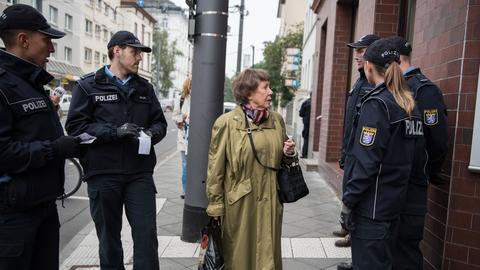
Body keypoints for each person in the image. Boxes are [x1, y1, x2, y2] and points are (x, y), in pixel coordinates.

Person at [65, 30, 167, 269]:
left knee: (146, 235)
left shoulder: (144, 88)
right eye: (135, 52)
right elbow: (76, 128)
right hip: (103, 174)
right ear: (116, 51)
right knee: (109, 240)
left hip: (139, 174)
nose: (140, 58)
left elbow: (160, 122)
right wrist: (115, 132)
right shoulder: (88, 85)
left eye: (140, 53)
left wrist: (152, 134)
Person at [0, 4, 83, 269]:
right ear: (24, 40)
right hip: (13, 216)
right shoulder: (4, 85)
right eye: (46, 39)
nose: (52, 48)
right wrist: (55, 149)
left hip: (43, 207)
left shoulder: (29, 82)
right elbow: (3, 154)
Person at [340, 39, 425, 269]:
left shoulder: (377, 104)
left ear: (369, 66)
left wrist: (348, 202)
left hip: (372, 210)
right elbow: (417, 160)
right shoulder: (410, 106)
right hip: (396, 206)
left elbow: (366, 163)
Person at [206, 69, 296, 270]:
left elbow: (284, 162)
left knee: (268, 258)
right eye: (265, 87)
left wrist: (288, 152)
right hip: (240, 204)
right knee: (239, 259)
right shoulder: (227, 123)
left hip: (271, 202)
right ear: (248, 93)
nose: (270, 91)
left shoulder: (276, 120)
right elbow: (215, 169)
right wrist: (216, 207)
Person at [388, 35, 448, 270]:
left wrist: (426, 172)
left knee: (405, 252)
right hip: (390, 188)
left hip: (411, 187)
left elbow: (438, 142)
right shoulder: (390, 89)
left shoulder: (424, 90)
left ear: (394, 61)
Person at [335, 34, 380, 261]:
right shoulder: (361, 81)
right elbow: (351, 122)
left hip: (362, 153)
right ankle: (350, 234)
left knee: (357, 196)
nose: (356, 56)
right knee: (349, 192)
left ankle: (354, 237)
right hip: (352, 151)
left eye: (361, 51)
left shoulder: (373, 85)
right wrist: (344, 152)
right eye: (356, 51)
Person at [173, 77, 192, 199]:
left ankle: (195, 188)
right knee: (185, 164)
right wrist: (182, 117)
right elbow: (175, 116)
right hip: (184, 138)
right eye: (191, 85)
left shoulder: (202, 99)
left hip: (197, 138)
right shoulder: (181, 99)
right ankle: (186, 191)